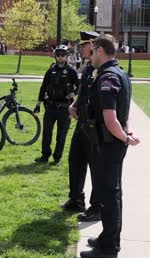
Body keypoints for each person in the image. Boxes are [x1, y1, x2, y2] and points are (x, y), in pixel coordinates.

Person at [79, 34, 140, 258]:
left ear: (101, 52)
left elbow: (111, 118)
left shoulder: (107, 78)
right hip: (113, 144)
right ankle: (107, 238)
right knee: (112, 194)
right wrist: (129, 132)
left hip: (109, 145)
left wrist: (125, 138)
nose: (90, 55)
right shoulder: (120, 73)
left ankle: (108, 249)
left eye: (93, 51)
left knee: (109, 196)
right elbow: (127, 110)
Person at [62, 32, 102, 220]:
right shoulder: (87, 68)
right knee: (75, 159)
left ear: (93, 45)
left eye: (84, 45)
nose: (81, 48)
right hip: (82, 123)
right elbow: (83, 93)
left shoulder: (99, 67)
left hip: (94, 125)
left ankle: (97, 207)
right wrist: (74, 105)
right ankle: (76, 199)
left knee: (96, 165)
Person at [33, 44, 79, 166]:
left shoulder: (71, 71)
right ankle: (44, 155)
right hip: (51, 106)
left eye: (63, 55)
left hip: (64, 108)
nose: (60, 57)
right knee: (47, 132)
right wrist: (38, 104)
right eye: (58, 55)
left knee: (61, 135)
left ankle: (57, 158)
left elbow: (80, 86)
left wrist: (72, 94)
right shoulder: (51, 70)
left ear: (67, 56)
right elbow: (43, 87)